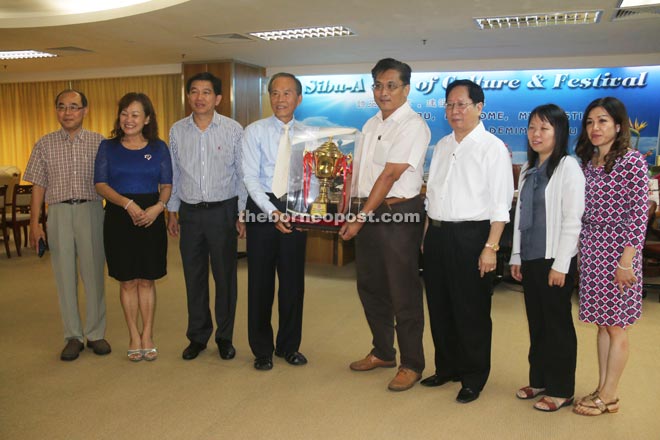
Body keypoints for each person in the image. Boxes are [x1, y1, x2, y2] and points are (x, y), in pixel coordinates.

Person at [339, 58, 430, 392]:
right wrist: (348, 207)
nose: (383, 91)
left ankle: (412, 363)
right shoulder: (370, 124)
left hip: (397, 214)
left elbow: (390, 175)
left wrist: (360, 218)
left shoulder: (413, 125)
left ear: (406, 89)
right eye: (377, 84)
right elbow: (360, 174)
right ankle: (382, 352)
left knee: (402, 290)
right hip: (369, 212)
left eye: (391, 85)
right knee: (371, 286)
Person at [423, 79, 513, 403]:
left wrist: (490, 248)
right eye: (449, 104)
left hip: (472, 236)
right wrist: (426, 236)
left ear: (479, 107)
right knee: (440, 305)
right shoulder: (443, 144)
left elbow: (501, 204)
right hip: (437, 234)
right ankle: (446, 367)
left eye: (461, 104)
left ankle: (474, 376)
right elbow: (432, 194)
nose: (454, 110)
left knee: (471, 309)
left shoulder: (492, 148)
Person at [573, 97, 648, 416]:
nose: (595, 128)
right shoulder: (586, 162)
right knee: (603, 325)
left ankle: (611, 395)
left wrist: (626, 261)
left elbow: (639, 213)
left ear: (619, 126)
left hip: (620, 251)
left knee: (617, 326)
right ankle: (602, 387)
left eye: (602, 121)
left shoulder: (632, 161)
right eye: (590, 122)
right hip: (591, 247)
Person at [24, 89, 110, 361]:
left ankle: (95, 333)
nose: (67, 112)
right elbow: (38, 185)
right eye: (62, 107)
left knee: (94, 273)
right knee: (64, 276)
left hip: (92, 210)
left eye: (74, 107)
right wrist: (35, 223)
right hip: (59, 213)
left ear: (85, 110)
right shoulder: (44, 144)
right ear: (56, 111)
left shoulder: (100, 143)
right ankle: (72, 335)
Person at [509, 104, 585, 411]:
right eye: (532, 128)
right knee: (537, 323)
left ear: (559, 132)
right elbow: (520, 217)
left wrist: (561, 264)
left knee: (557, 326)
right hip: (530, 257)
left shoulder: (569, 167)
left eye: (544, 128)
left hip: (555, 259)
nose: (536, 134)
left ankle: (561, 389)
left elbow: (572, 219)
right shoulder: (527, 169)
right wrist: (515, 255)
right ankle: (539, 378)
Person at [167, 72, 246, 361]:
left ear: (218, 98)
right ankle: (198, 336)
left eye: (206, 92)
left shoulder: (234, 130)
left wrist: (241, 213)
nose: (199, 98)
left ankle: (225, 337)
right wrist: (172, 210)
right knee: (194, 277)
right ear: (188, 96)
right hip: (189, 213)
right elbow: (174, 174)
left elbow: (242, 175)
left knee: (225, 278)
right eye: (194, 92)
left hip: (222, 211)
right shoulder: (177, 131)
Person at [94, 92, 172, 362]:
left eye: (135, 114)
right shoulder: (108, 147)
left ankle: (148, 334)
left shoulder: (159, 147)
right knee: (127, 280)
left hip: (151, 215)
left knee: (147, 279)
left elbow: (166, 185)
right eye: (125, 113)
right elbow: (101, 184)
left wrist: (158, 207)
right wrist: (127, 204)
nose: (129, 119)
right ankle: (133, 336)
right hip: (118, 217)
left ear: (147, 118)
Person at [242, 72, 308, 371]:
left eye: (287, 93)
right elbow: (250, 178)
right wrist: (272, 212)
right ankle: (262, 349)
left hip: (295, 206)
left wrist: (304, 209)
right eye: (275, 93)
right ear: (269, 97)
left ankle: (289, 346)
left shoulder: (310, 134)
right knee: (260, 283)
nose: (280, 99)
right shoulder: (254, 131)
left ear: (298, 98)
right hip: (261, 206)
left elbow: (314, 179)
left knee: (293, 284)